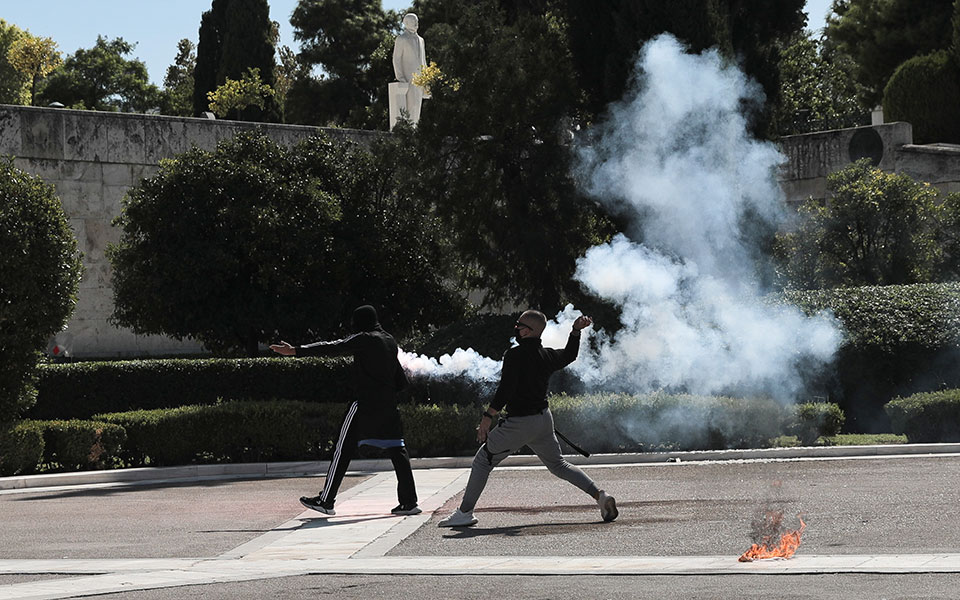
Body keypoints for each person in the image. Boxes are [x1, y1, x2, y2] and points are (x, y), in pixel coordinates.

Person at [438, 310, 618, 527]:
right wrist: (575, 332)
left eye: (519, 325)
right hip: (543, 420)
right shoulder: (547, 355)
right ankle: (600, 496)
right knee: (559, 465)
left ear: (529, 330)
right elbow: (570, 355)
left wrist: (487, 417)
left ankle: (464, 513)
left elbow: (505, 390)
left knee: (482, 461)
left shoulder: (514, 355)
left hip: (519, 423)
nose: (516, 328)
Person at [270, 305, 420, 517]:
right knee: (397, 449)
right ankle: (409, 502)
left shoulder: (365, 338)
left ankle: (326, 500)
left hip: (364, 403)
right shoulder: (389, 340)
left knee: (342, 448)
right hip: (388, 405)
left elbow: (334, 346)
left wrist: (295, 350)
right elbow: (400, 380)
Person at [391, 12, 427, 125]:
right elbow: (396, 59)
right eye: (413, 21)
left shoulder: (421, 40)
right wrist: (400, 77)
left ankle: (414, 131)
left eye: (417, 21)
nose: (416, 24)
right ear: (406, 23)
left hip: (420, 79)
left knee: (417, 107)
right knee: (409, 106)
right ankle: (409, 132)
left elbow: (423, 60)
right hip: (408, 78)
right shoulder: (401, 39)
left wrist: (427, 78)